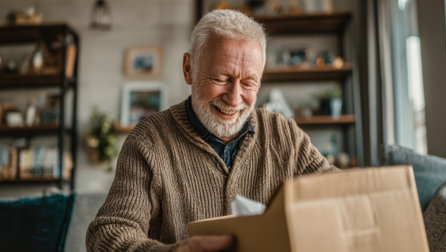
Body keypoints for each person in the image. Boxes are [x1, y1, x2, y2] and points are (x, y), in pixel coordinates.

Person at [86, 9, 339, 252]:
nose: (234, 98)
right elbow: (109, 232)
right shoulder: (149, 141)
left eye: (249, 83)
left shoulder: (284, 134)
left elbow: (340, 192)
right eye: (221, 79)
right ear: (189, 69)